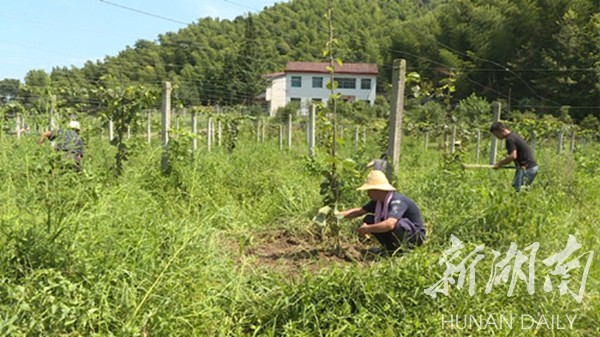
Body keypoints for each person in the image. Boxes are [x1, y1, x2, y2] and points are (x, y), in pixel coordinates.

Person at [338, 170, 426, 254]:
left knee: (399, 224)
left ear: (378, 190)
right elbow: (359, 211)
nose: (368, 194)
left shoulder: (397, 201)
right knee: (369, 219)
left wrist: (367, 228)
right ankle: (389, 249)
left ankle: (407, 250)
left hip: (415, 236)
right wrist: (336, 215)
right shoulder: (378, 201)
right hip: (400, 231)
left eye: (370, 190)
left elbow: (390, 224)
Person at [489, 122, 539, 192]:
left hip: (526, 168)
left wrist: (499, 164)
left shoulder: (510, 139)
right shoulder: (514, 135)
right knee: (523, 190)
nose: (497, 137)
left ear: (501, 130)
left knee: (517, 190)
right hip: (531, 167)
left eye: (496, 134)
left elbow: (513, 156)